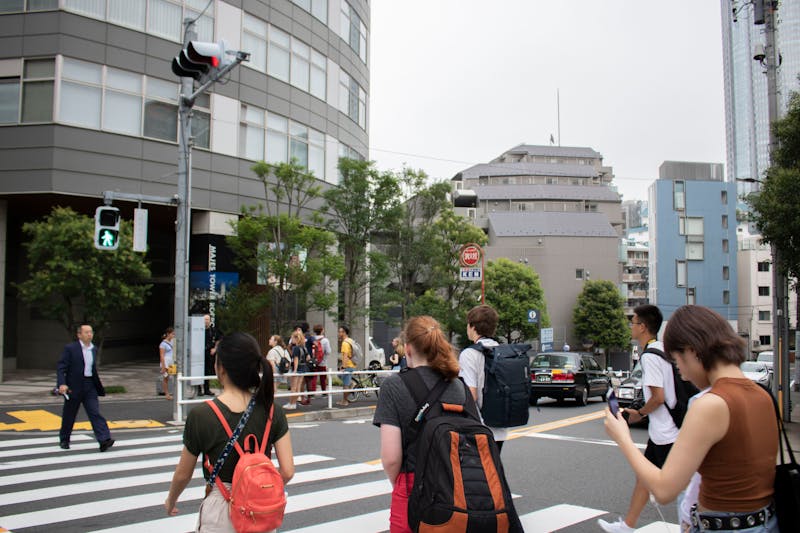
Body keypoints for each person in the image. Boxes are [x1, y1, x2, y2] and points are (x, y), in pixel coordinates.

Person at [604, 305, 779, 533]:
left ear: (692, 351)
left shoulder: (710, 403)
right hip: (764, 521)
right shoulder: (763, 396)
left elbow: (664, 490)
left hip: (725, 526)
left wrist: (623, 439)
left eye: (678, 362)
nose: (683, 374)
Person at [164, 331, 295, 530]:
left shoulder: (202, 415)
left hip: (221, 508)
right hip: (259, 511)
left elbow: (183, 474)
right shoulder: (272, 411)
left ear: (221, 368)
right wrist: (257, 490)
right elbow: (287, 471)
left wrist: (171, 500)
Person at [373, 315, 466, 533]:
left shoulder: (393, 386)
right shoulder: (456, 385)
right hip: (453, 487)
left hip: (411, 486)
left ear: (407, 349)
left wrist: (401, 483)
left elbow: (391, 458)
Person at [598, 304, 679, 532]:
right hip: (664, 430)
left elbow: (659, 397)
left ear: (643, 327)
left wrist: (639, 415)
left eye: (633, 322)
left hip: (667, 433)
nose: (630, 326)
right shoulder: (661, 348)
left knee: (683, 487)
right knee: (644, 477)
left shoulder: (650, 357)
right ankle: (627, 525)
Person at [56, 324, 114, 452]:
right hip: (74, 385)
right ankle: (64, 439)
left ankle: (104, 439)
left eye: (91, 332)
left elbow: (92, 369)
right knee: (69, 414)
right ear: (79, 335)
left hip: (89, 385)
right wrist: (62, 384)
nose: (89, 334)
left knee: (95, 412)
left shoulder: (94, 349)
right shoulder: (71, 348)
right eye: (86, 332)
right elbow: (61, 367)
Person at [458, 305, 507, 451]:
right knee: (493, 468)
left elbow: (470, 394)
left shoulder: (469, 354)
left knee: (480, 472)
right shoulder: (502, 351)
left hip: (479, 426)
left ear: (472, 327)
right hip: (501, 426)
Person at [284, 330, 308, 410]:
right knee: (298, 387)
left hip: (297, 369)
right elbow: (308, 358)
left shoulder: (296, 348)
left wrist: (295, 370)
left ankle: (291, 403)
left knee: (293, 388)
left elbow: (296, 359)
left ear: (296, 338)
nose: (292, 340)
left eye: (292, 338)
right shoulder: (304, 347)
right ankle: (293, 404)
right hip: (303, 368)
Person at [337, 325, 357, 407]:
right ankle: (350, 385)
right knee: (342, 379)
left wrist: (343, 366)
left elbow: (345, 355)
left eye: (340, 332)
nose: (339, 333)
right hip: (351, 364)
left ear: (344, 332)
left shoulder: (345, 343)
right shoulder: (350, 340)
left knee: (345, 385)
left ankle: (345, 401)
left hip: (348, 365)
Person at [202, 314, 221, 396]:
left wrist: (215, 348)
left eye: (207, 319)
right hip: (199, 354)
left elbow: (218, 339)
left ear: (210, 320)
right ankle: (199, 389)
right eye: (205, 319)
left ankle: (207, 389)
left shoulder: (213, 330)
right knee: (199, 371)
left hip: (209, 353)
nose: (206, 321)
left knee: (207, 371)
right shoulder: (198, 330)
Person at [311, 324, 331, 393]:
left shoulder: (312, 339)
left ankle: (312, 393)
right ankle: (324, 392)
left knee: (313, 377)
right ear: (322, 331)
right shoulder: (325, 340)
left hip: (313, 361)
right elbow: (328, 351)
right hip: (323, 361)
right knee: (323, 378)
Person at [159, 327, 175, 401]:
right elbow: (162, 355)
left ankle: (173, 392)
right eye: (172, 334)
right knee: (166, 378)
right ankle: (167, 394)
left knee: (173, 377)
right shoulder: (163, 344)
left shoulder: (172, 341)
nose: (173, 335)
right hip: (166, 362)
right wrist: (163, 366)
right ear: (168, 334)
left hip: (172, 362)